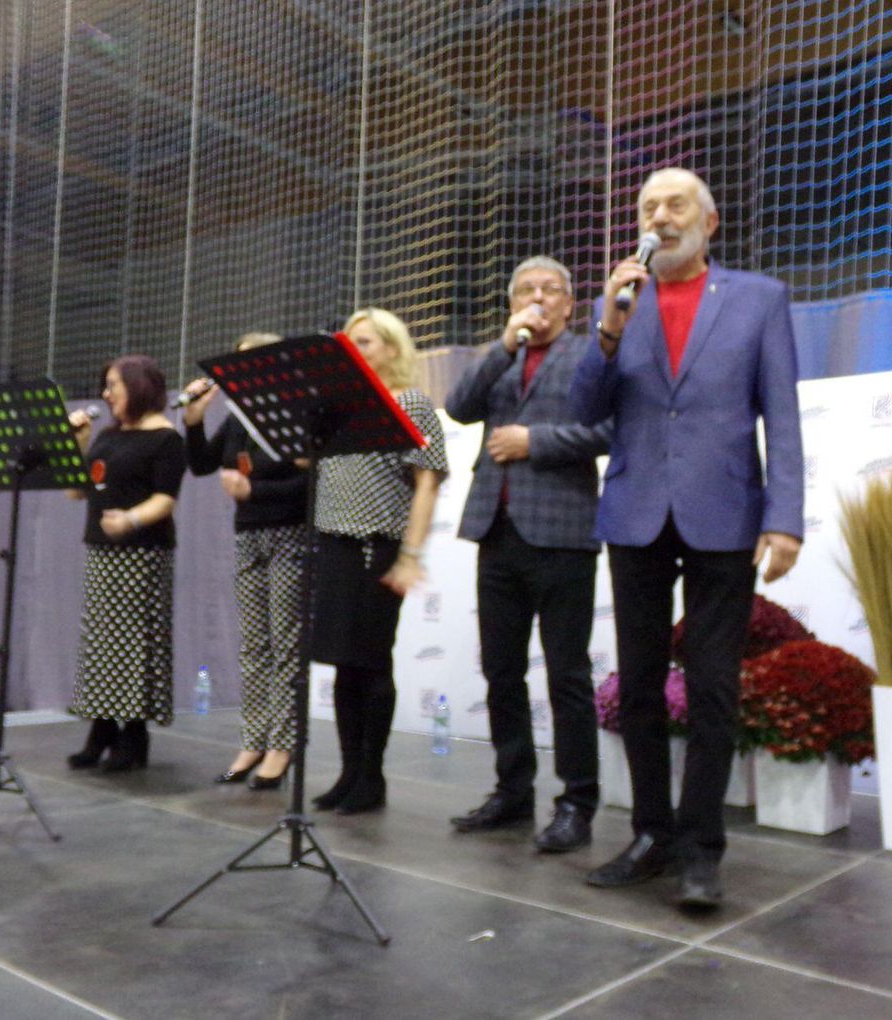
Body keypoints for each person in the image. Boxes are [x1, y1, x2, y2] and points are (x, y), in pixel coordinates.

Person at [569, 168, 805, 909]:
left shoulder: (759, 299)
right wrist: (609, 328)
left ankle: (702, 849)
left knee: (711, 686)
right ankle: (652, 835)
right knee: (638, 684)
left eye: (674, 205)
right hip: (636, 509)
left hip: (724, 511)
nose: (660, 217)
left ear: (710, 221)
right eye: (647, 207)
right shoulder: (621, 301)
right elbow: (584, 409)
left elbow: (782, 414)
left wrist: (785, 517)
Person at [444, 256, 612, 852]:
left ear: (570, 303)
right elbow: (459, 406)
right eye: (525, 291)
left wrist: (534, 441)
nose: (537, 299)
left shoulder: (590, 354)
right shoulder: (502, 355)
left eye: (550, 290)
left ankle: (577, 803)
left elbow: (610, 431)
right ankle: (512, 792)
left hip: (562, 533)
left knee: (567, 675)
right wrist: (502, 345)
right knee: (501, 672)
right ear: (513, 303)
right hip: (497, 532)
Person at [309, 308, 448, 815]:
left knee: (369, 661)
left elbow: (427, 482)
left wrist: (410, 554)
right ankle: (349, 772)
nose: (353, 350)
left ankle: (372, 777)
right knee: (344, 666)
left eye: (364, 342)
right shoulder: (339, 409)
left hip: (376, 545)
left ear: (392, 348)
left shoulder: (410, 403)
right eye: (348, 343)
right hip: (335, 545)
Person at [183, 332, 308, 790]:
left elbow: (309, 484)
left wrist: (255, 489)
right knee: (254, 644)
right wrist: (194, 421)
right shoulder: (240, 417)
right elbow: (202, 465)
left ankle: (283, 744)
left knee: (286, 644)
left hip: (289, 533)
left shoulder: (294, 415)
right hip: (248, 535)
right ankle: (254, 739)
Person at [65, 354, 186, 771]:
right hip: (102, 551)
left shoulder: (166, 439)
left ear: (137, 387)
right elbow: (76, 492)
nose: (105, 393)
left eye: (113, 385)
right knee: (102, 646)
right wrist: (79, 444)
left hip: (142, 554)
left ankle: (134, 734)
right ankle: (102, 729)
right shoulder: (107, 435)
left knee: (135, 647)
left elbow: (166, 499)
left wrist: (131, 519)